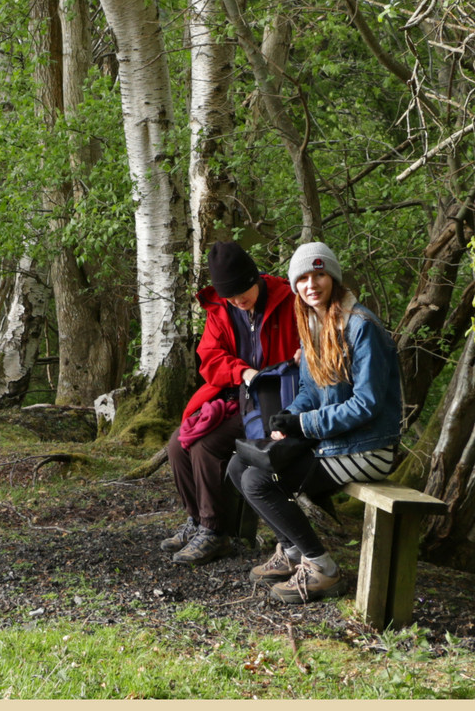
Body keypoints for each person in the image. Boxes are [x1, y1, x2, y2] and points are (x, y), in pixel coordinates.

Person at [227, 241, 402, 603]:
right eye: (303, 278)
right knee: (236, 465)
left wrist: (305, 424)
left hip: (368, 447)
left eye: (319, 274)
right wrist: (290, 416)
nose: (312, 284)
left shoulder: (361, 327)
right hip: (333, 442)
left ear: (333, 278)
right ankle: (292, 552)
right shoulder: (313, 323)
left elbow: (367, 404)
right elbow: (309, 387)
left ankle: (321, 567)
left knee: (258, 481)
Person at [160, 240, 301, 565]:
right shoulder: (221, 310)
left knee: (206, 445)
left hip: (276, 401)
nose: (238, 301)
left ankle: (214, 532)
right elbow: (209, 357)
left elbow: (312, 341)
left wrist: (300, 357)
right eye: (231, 296)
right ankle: (197, 521)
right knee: (177, 444)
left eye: (243, 292)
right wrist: (243, 371)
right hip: (233, 394)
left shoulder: (289, 300)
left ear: (255, 277)